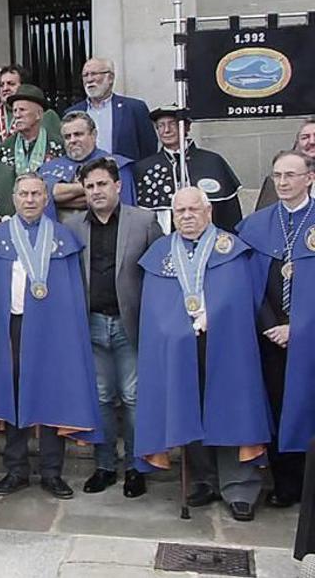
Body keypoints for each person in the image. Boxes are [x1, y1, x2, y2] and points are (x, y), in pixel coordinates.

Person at [136, 187, 271, 522]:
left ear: (208, 211)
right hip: (180, 347)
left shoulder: (229, 248)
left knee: (231, 408)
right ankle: (204, 479)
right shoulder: (161, 253)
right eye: (180, 211)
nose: (187, 216)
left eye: (194, 209)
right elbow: (153, 307)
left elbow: (242, 296)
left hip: (226, 344)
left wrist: (216, 314)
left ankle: (239, 486)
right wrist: (172, 329)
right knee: (187, 410)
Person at [0, 173, 103, 500]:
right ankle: (15, 469)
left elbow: (75, 292)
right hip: (11, 327)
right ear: (14, 198)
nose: (30, 200)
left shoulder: (62, 239)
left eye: (36, 194)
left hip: (52, 329)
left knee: (51, 394)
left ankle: (51, 471)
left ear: (46, 199)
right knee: (13, 393)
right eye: (24, 194)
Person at [62, 157, 161, 498]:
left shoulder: (144, 221)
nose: (96, 191)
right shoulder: (74, 226)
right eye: (89, 186)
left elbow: (158, 273)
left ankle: (136, 466)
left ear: (117, 185)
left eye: (102, 184)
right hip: (90, 323)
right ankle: (104, 465)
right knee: (102, 397)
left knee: (133, 397)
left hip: (129, 322)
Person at [237, 150, 315, 508]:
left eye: (291, 175)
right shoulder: (258, 224)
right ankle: (285, 485)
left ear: (309, 178)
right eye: (278, 176)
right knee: (277, 406)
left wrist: (297, 328)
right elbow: (248, 282)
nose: (283, 183)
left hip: (309, 337)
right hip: (268, 336)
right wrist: (271, 325)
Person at [134, 106, 243, 234]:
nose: (166, 130)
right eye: (161, 126)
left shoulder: (212, 162)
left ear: (187, 127)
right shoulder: (145, 168)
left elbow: (230, 215)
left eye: (172, 124)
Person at [39, 111, 136, 221]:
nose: (72, 140)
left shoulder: (117, 165)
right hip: (57, 234)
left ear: (93, 135)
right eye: (67, 137)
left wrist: (60, 201)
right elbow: (43, 196)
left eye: (78, 134)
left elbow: (123, 209)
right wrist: (89, 187)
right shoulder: (48, 168)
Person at [64, 57, 157, 161]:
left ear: (110, 78)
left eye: (94, 74)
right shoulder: (73, 113)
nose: (89, 79)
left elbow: (149, 149)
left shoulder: (135, 108)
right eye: (85, 75)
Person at [0, 84, 65, 174]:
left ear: (39, 114)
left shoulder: (58, 146)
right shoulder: (5, 149)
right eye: (15, 111)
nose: (17, 115)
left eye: (22, 110)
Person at [0, 65, 63, 145]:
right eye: (1, 85)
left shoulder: (47, 115)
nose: (5, 89)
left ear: (24, 86)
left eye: (11, 84)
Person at [256, 118, 315, 210]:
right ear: (297, 143)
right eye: (305, 137)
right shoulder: (277, 179)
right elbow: (263, 219)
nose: (312, 141)